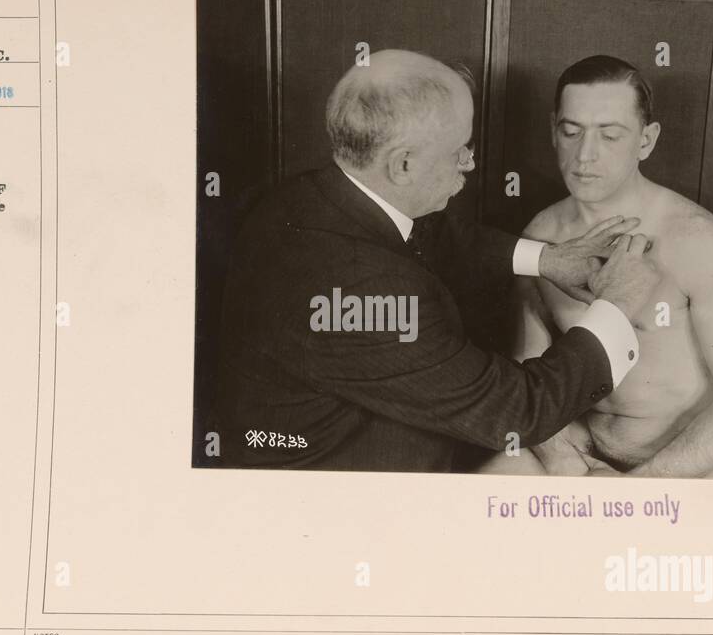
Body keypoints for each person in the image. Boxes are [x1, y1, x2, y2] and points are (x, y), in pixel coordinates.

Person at [214, 49, 660, 471]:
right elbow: (516, 411)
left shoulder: (310, 197)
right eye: (460, 150)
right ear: (403, 165)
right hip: (331, 487)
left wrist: (547, 259)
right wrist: (616, 303)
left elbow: (430, 233)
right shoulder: (360, 287)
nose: (470, 163)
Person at [490, 55, 713, 478]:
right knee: (485, 485)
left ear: (646, 140)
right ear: (554, 130)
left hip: (687, 458)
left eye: (609, 136)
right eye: (571, 132)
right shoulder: (541, 235)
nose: (585, 155)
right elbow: (526, 374)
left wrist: (637, 490)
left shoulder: (699, 239)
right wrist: (568, 466)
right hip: (584, 450)